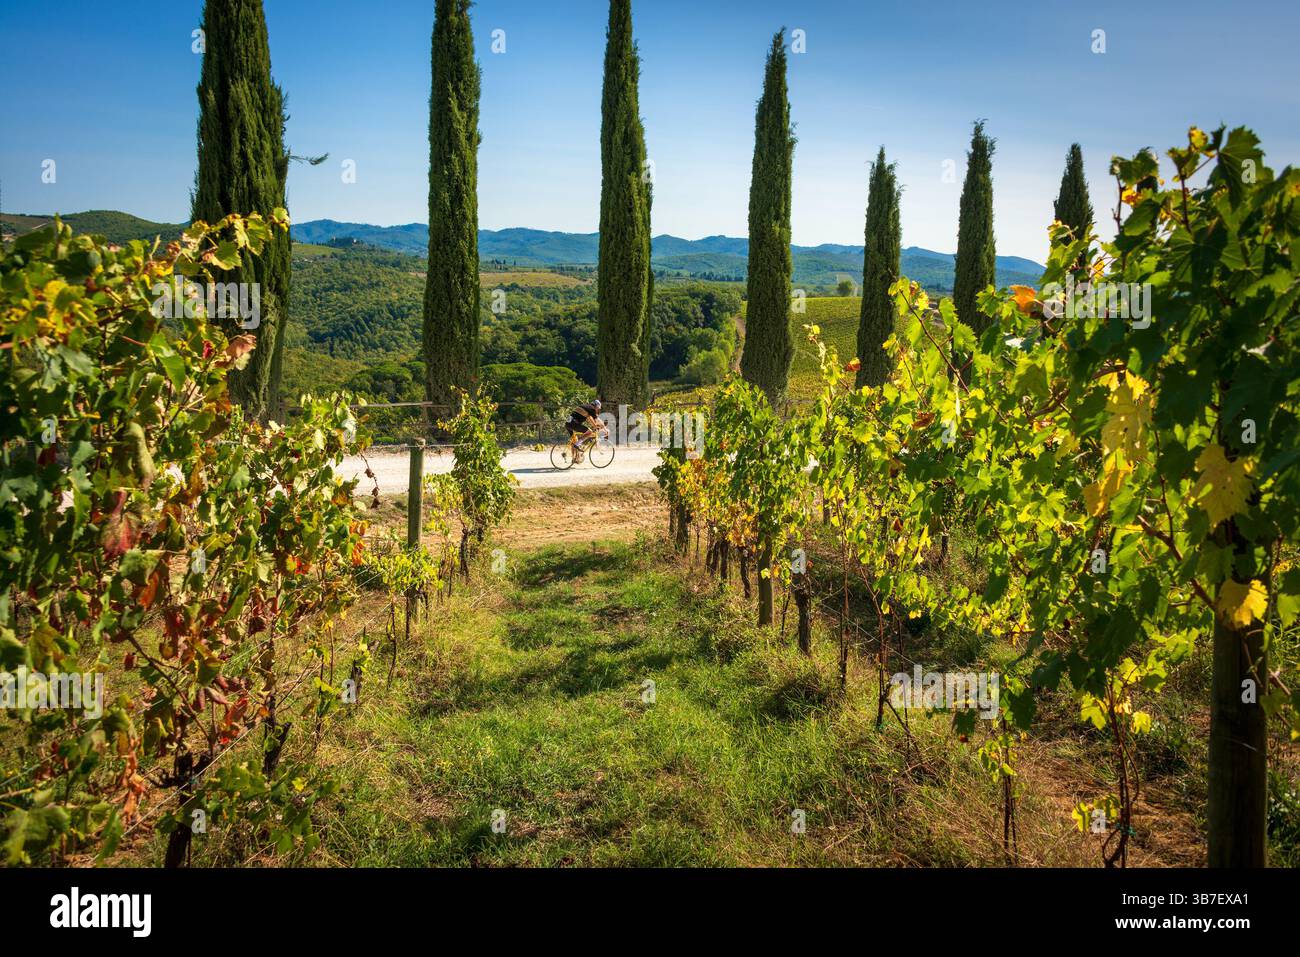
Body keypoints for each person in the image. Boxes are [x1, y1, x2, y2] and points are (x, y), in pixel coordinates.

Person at [566, 398, 603, 463]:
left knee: (574, 440)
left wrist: (594, 425)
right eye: (598, 408)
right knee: (590, 432)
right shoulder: (592, 409)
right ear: (596, 406)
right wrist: (604, 429)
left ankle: (574, 458)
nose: (597, 410)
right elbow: (597, 419)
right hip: (574, 423)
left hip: (568, 424)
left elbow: (589, 419)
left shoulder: (586, 407)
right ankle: (577, 445)